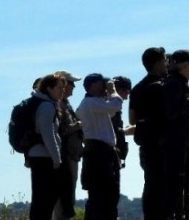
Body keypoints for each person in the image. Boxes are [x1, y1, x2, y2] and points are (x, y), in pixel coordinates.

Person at [77, 73, 124, 220]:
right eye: (101, 83)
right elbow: (116, 104)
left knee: (107, 197)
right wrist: (112, 90)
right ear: (93, 85)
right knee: (101, 197)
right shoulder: (90, 103)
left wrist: (107, 93)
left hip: (100, 153)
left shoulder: (94, 103)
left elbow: (111, 111)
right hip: (99, 153)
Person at [128, 47, 168, 219]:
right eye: (165, 60)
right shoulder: (166, 85)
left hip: (146, 143)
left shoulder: (138, 89)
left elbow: (132, 120)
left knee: (151, 184)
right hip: (165, 142)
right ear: (159, 62)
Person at [162, 49, 189, 220]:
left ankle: (180, 214)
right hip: (174, 143)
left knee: (181, 184)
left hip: (182, 142)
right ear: (184, 66)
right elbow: (171, 113)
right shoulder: (173, 84)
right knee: (174, 186)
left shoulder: (182, 83)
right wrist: (188, 101)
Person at [27, 74, 67, 220]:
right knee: (45, 199)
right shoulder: (46, 106)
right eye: (59, 88)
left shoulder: (45, 103)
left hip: (39, 156)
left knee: (42, 199)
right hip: (44, 158)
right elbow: (48, 134)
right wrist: (57, 159)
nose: (62, 91)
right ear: (48, 88)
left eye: (63, 88)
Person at [52, 70, 84, 220]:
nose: (73, 87)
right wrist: (76, 126)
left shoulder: (65, 104)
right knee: (62, 197)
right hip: (64, 157)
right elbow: (56, 131)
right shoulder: (57, 105)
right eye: (71, 84)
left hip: (71, 156)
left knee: (67, 195)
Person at [111, 76, 133, 169]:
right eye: (126, 93)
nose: (126, 97)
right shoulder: (110, 107)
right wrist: (126, 131)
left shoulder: (112, 108)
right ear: (119, 90)